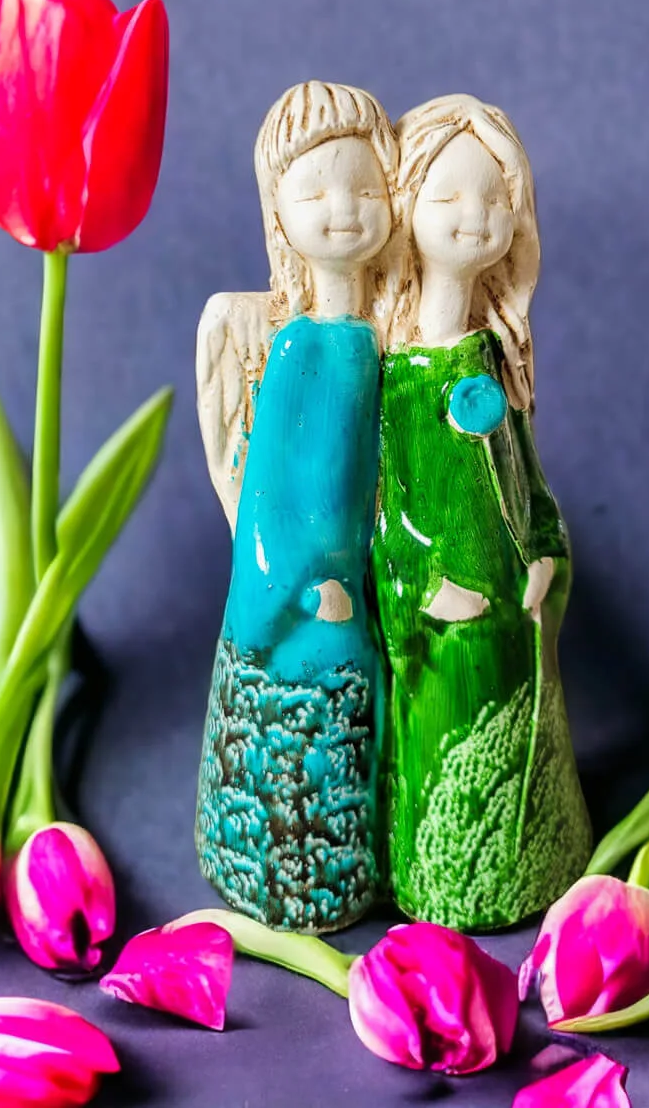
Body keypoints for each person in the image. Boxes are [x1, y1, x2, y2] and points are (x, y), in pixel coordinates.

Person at [372, 94, 591, 930]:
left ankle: (537, 857)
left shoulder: (496, 357)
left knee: (523, 746)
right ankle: (441, 876)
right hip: (448, 621)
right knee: (447, 752)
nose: (476, 216)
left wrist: (547, 553)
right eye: (450, 197)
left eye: (496, 198)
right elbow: (386, 507)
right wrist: (427, 588)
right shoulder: (398, 375)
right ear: (409, 210)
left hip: (514, 607)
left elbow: (529, 482)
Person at [192, 82, 396, 933]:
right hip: (309, 602)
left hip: (365, 589)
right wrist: (309, 587)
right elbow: (270, 493)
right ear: (279, 210)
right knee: (303, 739)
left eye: (365, 188)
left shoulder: (383, 344)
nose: (343, 210)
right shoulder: (300, 348)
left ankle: (358, 862)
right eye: (317, 193)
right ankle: (284, 871)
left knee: (363, 726)